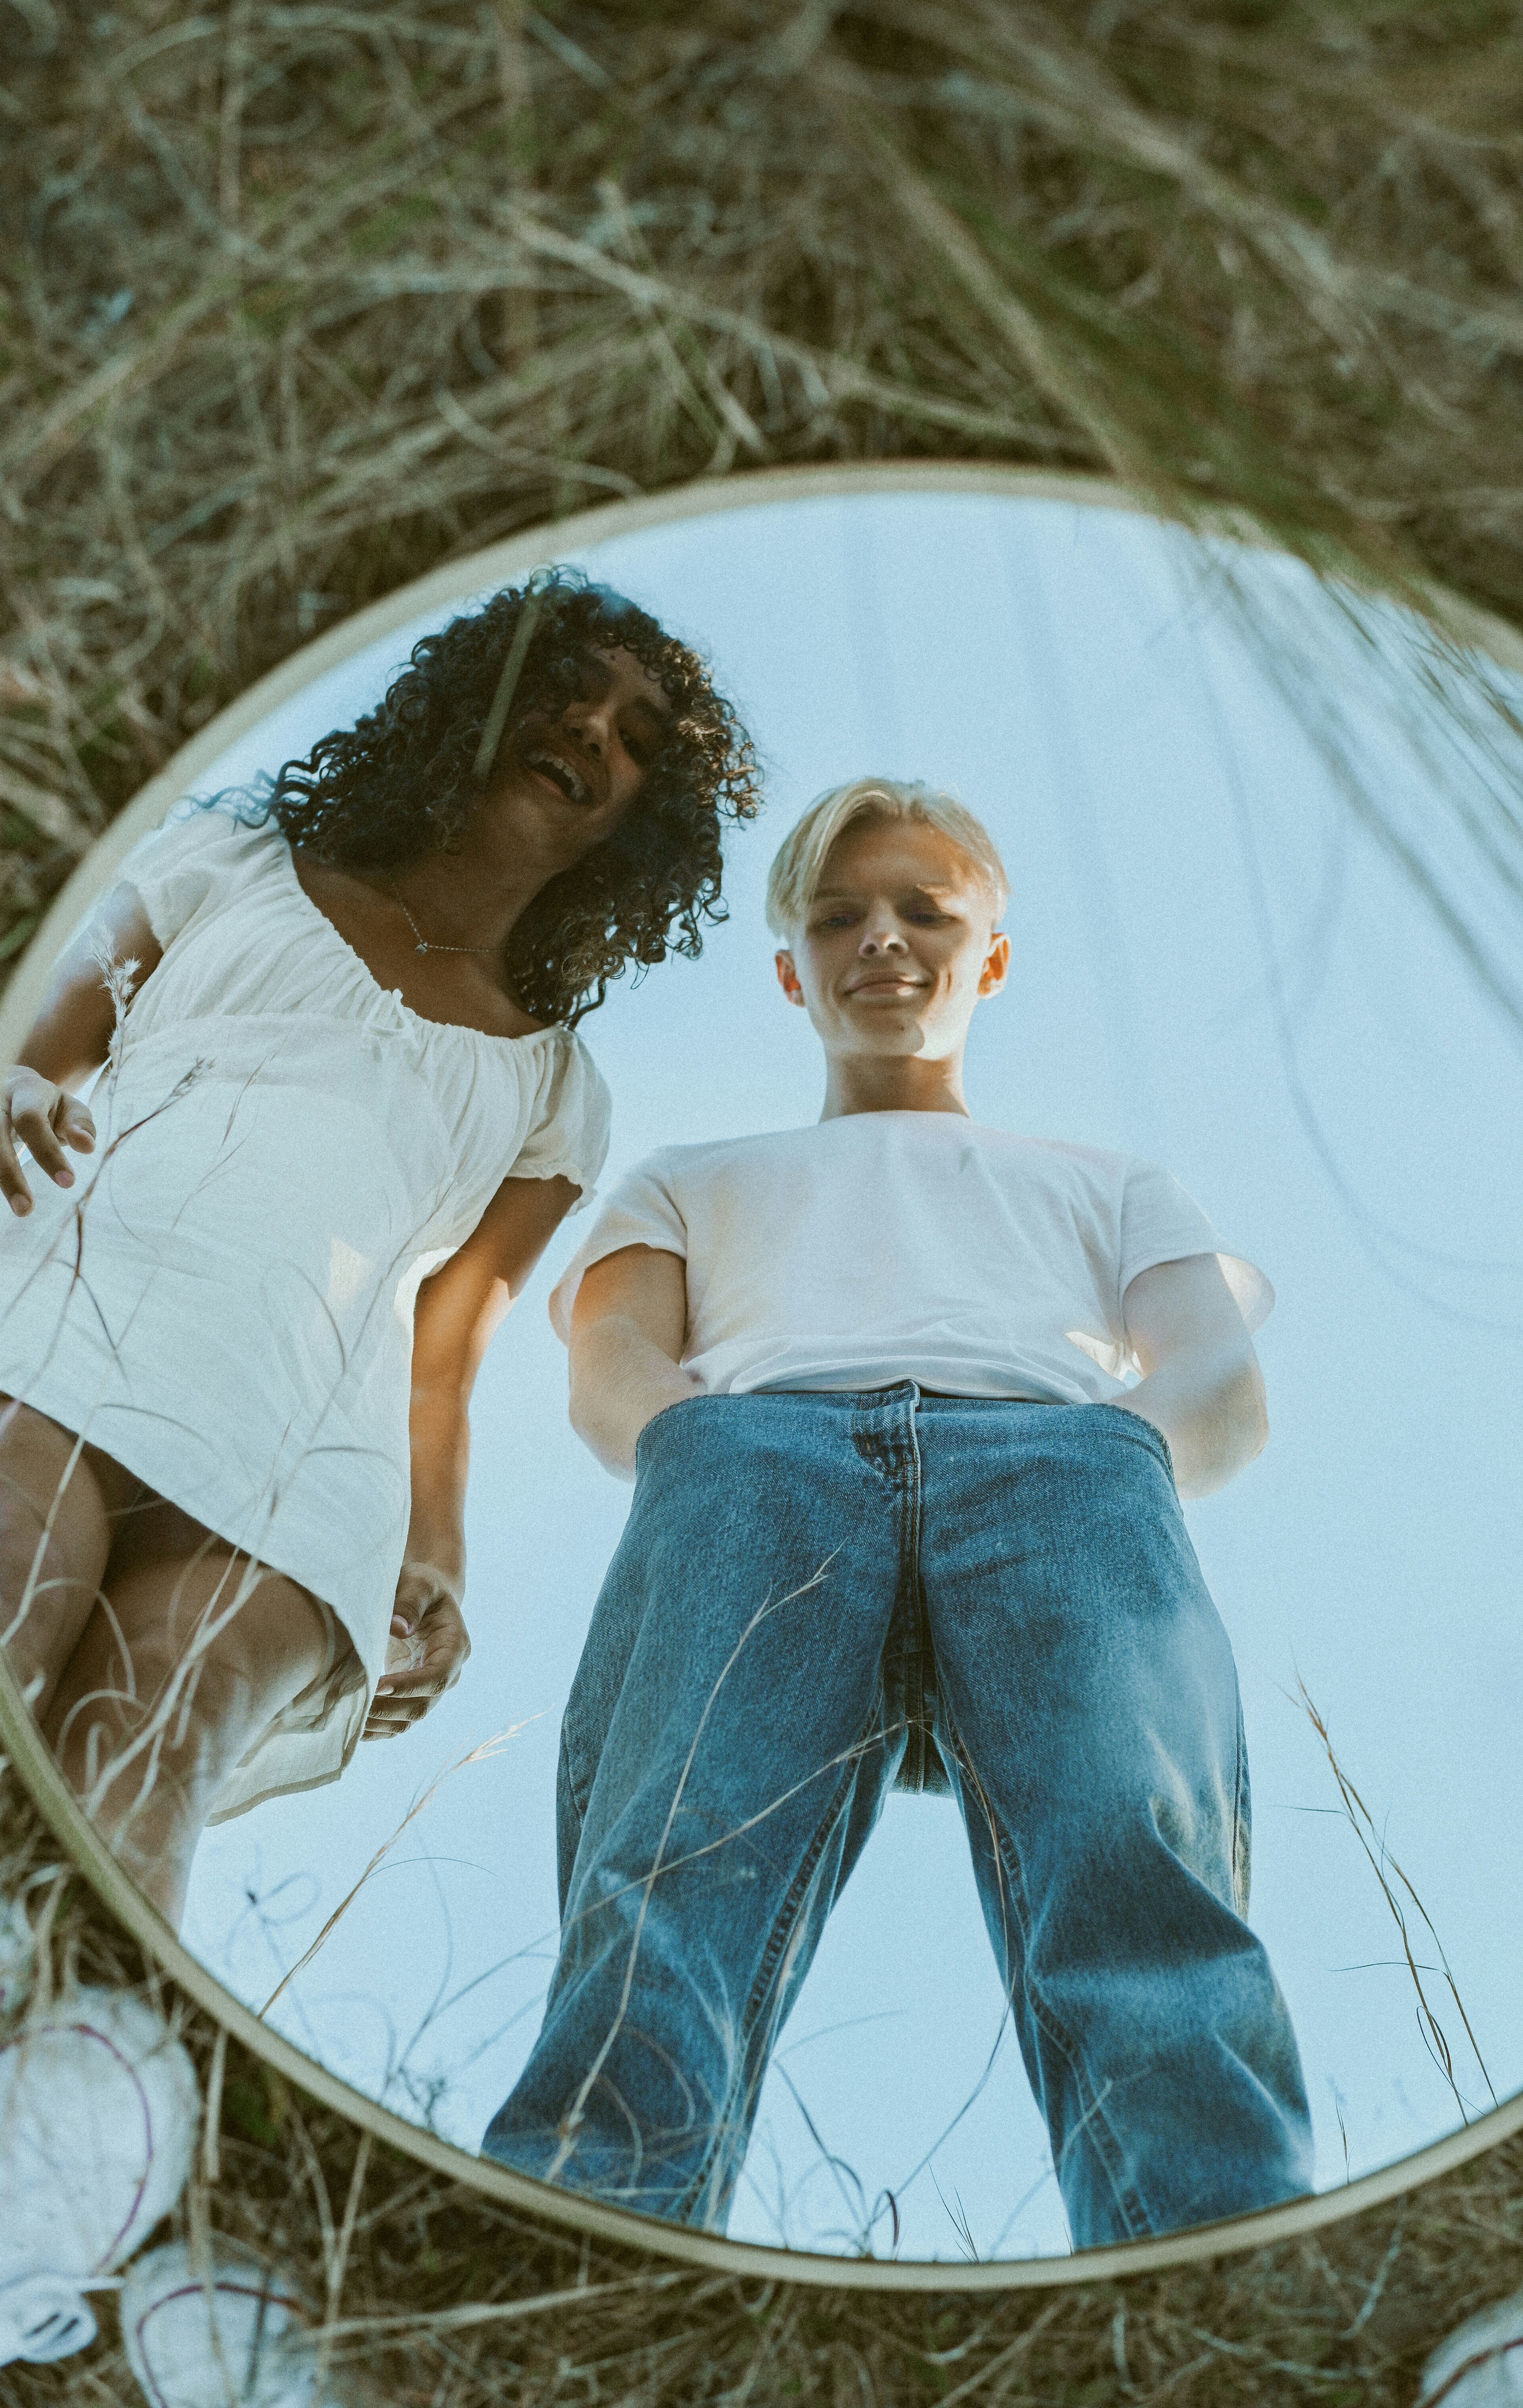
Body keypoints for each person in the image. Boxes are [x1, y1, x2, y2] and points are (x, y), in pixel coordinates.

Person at [482, 776, 1314, 2248]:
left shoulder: (1108, 1183)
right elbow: (610, 1364)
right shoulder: (687, 1179)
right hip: (762, 1460)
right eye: (837, 916)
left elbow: (1219, 1381)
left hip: (1053, 1463)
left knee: (1137, 1877)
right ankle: (579, 2262)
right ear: (788, 971)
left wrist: (1107, 1454)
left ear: (991, 957)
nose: (882, 938)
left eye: (927, 911)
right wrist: (701, 1446)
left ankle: (1218, 2269)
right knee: (671, 1876)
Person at [0, 572, 759, 1933]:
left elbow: (446, 1355)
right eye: (570, 689)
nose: (591, 730)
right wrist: (7, 1091)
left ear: (640, 822)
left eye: (635, 739)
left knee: (148, 1764)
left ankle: (51, 2043)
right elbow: (29, 1059)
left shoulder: (556, 1090)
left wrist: (437, 1557)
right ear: (479, 701)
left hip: (305, 1458)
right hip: (64, 1317)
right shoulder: (232, 861)